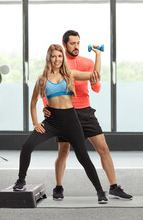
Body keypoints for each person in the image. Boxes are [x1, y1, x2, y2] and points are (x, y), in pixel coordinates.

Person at [13, 43, 108, 204]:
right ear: (48, 58)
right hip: (52, 121)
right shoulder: (42, 78)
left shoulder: (69, 74)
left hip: (71, 120)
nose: (56, 59)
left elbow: (95, 75)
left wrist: (98, 55)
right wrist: (36, 122)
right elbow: (33, 101)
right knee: (27, 146)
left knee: (83, 156)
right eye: (53, 56)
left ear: (62, 58)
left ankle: (100, 191)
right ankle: (21, 180)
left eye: (59, 56)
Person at [43, 30, 132, 201]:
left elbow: (96, 86)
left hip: (85, 111)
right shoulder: (58, 64)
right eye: (72, 43)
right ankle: (59, 187)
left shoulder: (86, 62)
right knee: (63, 150)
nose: (76, 46)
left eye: (78, 43)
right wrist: (47, 108)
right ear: (64, 45)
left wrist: (98, 57)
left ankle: (113, 187)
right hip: (65, 112)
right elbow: (46, 87)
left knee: (103, 149)